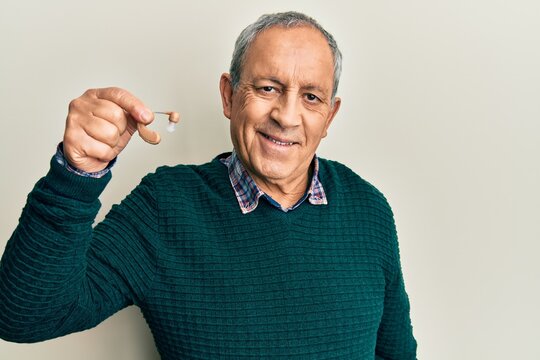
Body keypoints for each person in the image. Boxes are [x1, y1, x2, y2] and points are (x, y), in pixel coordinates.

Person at [0, 11, 417, 359]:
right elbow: (23, 316)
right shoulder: (166, 207)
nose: (287, 117)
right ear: (229, 96)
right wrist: (75, 175)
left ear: (330, 116)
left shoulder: (369, 210)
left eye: (311, 97)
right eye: (268, 88)